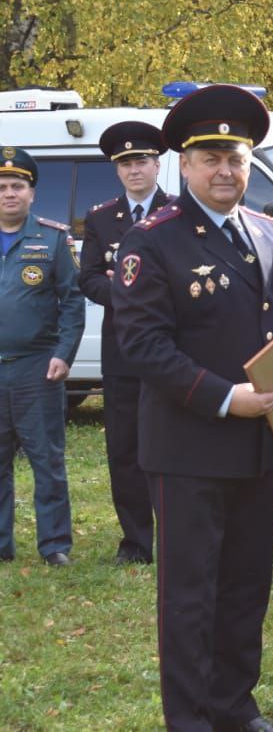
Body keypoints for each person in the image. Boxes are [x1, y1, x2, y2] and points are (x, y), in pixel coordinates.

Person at [111, 85, 273, 730]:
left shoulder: (272, 231)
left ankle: (234, 705)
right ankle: (192, 718)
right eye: (211, 158)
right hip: (189, 447)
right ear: (185, 165)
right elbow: (142, 345)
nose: (226, 170)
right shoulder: (154, 242)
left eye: (236, 157)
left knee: (248, 588)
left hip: (261, 445)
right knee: (191, 595)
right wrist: (226, 398)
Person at [79, 121, 172, 565]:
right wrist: (124, 291)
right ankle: (136, 541)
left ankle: (176, 533)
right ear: (117, 171)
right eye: (125, 163)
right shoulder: (100, 219)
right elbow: (89, 278)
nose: (134, 170)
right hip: (122, 353)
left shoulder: (178, 213)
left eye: (141, 161)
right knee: (125, 450)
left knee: (173, 445)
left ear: (157, 164)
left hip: (172, 350)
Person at [0, 147, 85, 566]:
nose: (9, 194)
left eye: (17, 186)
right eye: (2, 187)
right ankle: (1, 546)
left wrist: (64, 353)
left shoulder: (52, 238)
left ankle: (55, 546)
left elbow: (72, 302)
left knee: (46, 461)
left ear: (32, 193)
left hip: (38, 367)